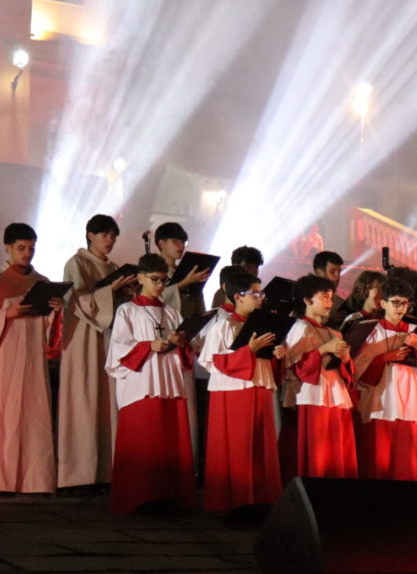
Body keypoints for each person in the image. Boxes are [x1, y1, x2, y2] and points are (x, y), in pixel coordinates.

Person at [0, 223, 63, 494]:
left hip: (32, 358)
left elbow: (48, 331)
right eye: (21, 248)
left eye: (31, 248)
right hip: (2, 357)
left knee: (33, 416)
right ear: (7, 247)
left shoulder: (42, 282)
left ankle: (33, 480)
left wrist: (54, 312)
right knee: (1, 416)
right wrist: (6, 314)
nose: (27, 253)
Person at [105, 254, 197, 514]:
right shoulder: (128, 310)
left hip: (168, 379)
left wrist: (180, 344)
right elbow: (120, 348)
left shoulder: (171, 312)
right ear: (141, 277)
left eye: (164, 280)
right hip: (141, 381)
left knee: (169, 440)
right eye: (155, 279)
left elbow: (186, 349)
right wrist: (149, 345)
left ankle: (169, 497)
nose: (159, 285)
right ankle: (138, 497)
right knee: (143, 439)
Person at [198, 267, 285, 514]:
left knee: (261, 446)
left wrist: (278, 354)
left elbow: (266, 358)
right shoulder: (223, 325)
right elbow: (214, 361)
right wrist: (249, 351)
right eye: (255, 294)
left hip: (258, 385)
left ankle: (260, 499)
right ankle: (236, 502)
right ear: (238, 297)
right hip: (234, 392)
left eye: (260, 294)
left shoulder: (262, 323)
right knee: (238, 447)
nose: (261, 298)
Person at [58, 214, 134, 489]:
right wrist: (110, 290)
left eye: (113, 235)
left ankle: (105, 471)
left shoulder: (113, 266)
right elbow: (77, 300)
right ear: (90, 235)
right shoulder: (76, 263)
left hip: (108, 337)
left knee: (106, 401)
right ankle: (77, 474)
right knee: (83, 398)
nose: (110, 240)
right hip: (83, 339)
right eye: (105, 235)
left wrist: (125, 291)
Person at [351, 278, 417, 481]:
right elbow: (357, 368)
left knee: (408, 464)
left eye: (405, 303)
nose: (401, 308)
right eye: (396, 302)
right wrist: (383, 358)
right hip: (381, 402)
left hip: (410, 403)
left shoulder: (415, 332)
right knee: (379, 461)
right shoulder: (371, 331)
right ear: (383, 303)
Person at [282, 274, 359, 479]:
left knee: (338, 447)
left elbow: (346, 369)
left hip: (335, 390)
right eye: (324, 297)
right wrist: (323, 349)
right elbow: (293, 364)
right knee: (319, 449)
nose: (329, 302)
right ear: (307, 300)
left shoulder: (334, 332)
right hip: (313, 392)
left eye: (331, 298)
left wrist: (344, 358)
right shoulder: (300, 327)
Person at [153, 222, 211, 324]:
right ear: (161, 243)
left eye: (183, 242)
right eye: (175, 241)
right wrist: (185, 283)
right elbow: (156, 297)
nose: (181, 246)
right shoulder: (152, 270)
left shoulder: (183, 270)